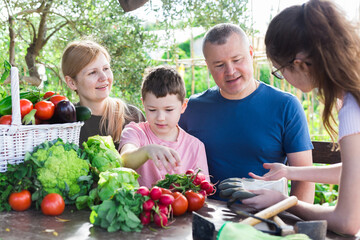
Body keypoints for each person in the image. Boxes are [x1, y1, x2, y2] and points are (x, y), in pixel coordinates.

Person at [244, 0, 360, 235]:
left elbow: (347, 221)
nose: (283, 78)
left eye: (279, 71)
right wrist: (289, 172)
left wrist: (286, 203)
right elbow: (353, 171)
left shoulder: (351, 109)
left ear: (299, 64)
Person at [178, 23, 315, 203]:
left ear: (251, 54)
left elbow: (304, 176)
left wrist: (295, 224)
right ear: (207, 66)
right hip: (206, 215)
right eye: (219, 65)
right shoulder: (191, 108)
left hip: (266, 217)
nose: (230, 71)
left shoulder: (285, 105)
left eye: (237, 60)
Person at [119, 66, 209, 188]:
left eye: (169, 110)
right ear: (143, 104)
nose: (160, 117)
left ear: (183, 106)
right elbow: (124, 160)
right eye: (152, 109)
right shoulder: (135, 132)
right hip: (138, 206)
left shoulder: (195, 147)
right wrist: (147, 151)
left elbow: (202, 190)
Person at [62, 40, 145, 149]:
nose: (104, 77)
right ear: (72, 83)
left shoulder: (133, 116)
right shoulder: (64, 123)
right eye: (92, 72)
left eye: (106, 69)